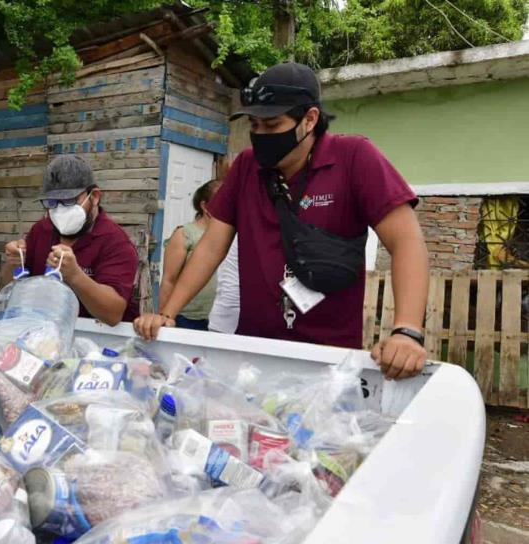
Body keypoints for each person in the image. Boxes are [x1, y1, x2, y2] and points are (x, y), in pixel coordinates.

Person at [134, 62, 430, 380]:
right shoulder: (247, 168)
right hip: (255, 358)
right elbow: (210, 247)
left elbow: (407, 242)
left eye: (272, 125)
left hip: (327, 363)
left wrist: (407, 331)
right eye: (254, 126)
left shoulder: (354, 158)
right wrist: (168, 313)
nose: (260, 136)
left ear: (310, 119)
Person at [0, 155, 140, 325]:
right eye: (53, 202)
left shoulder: (115, 242)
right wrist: (13, 263)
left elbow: (112, 314)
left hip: (98, 339)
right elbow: (8, 288)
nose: (59, 211)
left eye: (69, 201)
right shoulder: (41, 230)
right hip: (44, 332)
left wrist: (75, 276)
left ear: (94, 197)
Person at [159, 180, 223, 331]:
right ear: (204, 205)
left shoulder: (226, 237)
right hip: (185, 318)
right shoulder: (185, 234)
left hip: (214, 318)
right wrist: (164, 318)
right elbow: (168, 280)